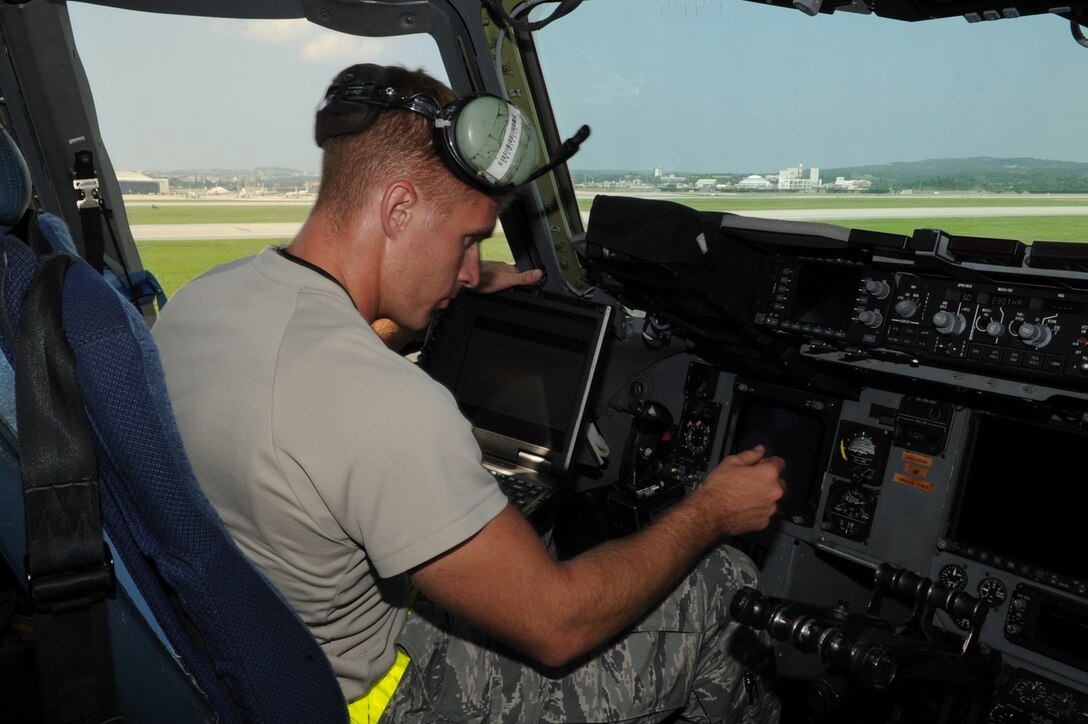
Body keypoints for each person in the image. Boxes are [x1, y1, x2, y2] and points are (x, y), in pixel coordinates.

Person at [151, 63, 786, 723]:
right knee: (724, 581)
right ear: (398, 208)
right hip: (370, 700)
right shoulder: (385, 404)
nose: (472, 267)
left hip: (257, 651)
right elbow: (558, 622)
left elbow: (306, 369)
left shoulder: (205, 301)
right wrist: (710, 511)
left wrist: (442, 294)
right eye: (467, 240)